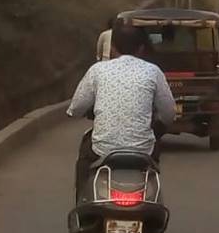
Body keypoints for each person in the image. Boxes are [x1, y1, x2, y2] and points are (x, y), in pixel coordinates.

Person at [67, 24, 177, 204]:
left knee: (84, 159)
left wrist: (83, 111)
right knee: (155, 154)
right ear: (141, 48)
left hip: (102, 149)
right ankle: (150, 197)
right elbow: (169, 112)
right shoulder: (153, 71)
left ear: (112, 47)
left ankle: (81, 204)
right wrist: (158, 127)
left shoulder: (98, 70)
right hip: (143, 150)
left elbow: (76, 108)